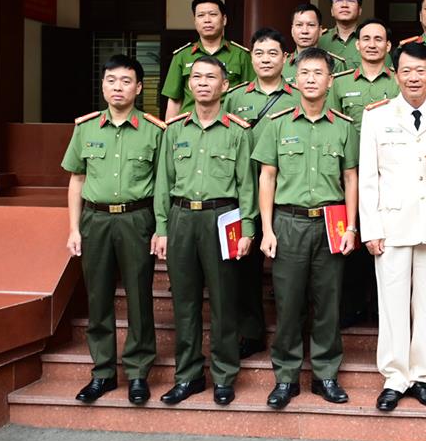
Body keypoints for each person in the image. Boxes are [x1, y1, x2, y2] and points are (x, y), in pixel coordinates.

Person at [358, 42, 426, 412]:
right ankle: (394, 375)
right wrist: (370, 227)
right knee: (392, 303)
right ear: (395, 74)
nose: (414, 77)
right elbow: (368, 177)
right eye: (406, 71)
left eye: (421, 71)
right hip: (391, 225)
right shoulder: (376, 116)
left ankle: (420, 375)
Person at [252, 48, 359, 409]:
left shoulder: (344, 127)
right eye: (305, 73)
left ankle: (326, 374)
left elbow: (350, 178)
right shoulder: (278, 123)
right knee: (289, 302)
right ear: (294, 79)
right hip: (289, 222)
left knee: (328, 303)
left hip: (331, 222)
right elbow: (267, 177)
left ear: (330, 81)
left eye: (318, 73)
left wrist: (352, 227)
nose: (311, 79)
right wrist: (266, 229)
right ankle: (286, 377)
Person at [153, 56, 257, 406]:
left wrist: (248, 228)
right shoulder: (175, 130)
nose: (202, 82)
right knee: (184, 303)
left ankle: (224, 376)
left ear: (224, 85)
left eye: (210, 77)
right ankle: (188, 376)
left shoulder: (238, 131)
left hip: (222, 218)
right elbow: (163, 185)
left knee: (225, 301)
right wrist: (162, 228)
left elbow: (247, 184)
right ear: (189, 85)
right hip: (182, 217)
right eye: (196, 77)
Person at [62, 55, 165, 405]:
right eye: (111, 80)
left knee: (139, 297)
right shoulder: (86, 128)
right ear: (103, 85)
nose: (117, 87)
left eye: (125, 81)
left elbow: (163, 185)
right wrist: (74, 229)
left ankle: (138, 372)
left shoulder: (155, 131)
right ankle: (103, 372)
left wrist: (159, 227)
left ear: (138, 87)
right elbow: (76, 180)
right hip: (96, 220)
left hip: (137, 218)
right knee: (98, 297)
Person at [223, 27, 301, 359]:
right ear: (250, 57)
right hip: (239, 191)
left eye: (273, 53)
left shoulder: (299, 95)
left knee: (289, 267)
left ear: (286, 57)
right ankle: (251, 332)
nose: (265, 59)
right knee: (243, 266)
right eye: (259, 53)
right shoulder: (235, 97)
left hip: (283, 189)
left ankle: (293, 332)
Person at [328, 19, 400, 327]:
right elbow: (331, 124)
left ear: (388, 46)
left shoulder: (400, 81)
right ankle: (355, 307)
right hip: (352, 174)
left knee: (390, 241)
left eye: (378, 39)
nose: (372, 44)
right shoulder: (340, 82)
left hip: (393, 174)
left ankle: (386, 310)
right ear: (357, 46)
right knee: (353, 240)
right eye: (366, 38)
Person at [161, 0, 253, 120]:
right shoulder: (182, 55)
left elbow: (250, 97)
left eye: (213, 14)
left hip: (228, 127)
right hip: (188, 126)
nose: (207, 20)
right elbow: (174, 101)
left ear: (224, 19)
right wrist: (169, 132)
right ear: (195, 21)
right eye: (201, 15)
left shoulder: (241, 55)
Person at [319, 0, 364, 72]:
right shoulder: (319, 40)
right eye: (338, 0)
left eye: (351, 0)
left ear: (359, 10)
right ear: (332, 11)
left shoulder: (371, 41)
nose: (344, 5)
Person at [283, 3, 333, 83]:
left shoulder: (335, 64)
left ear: (320, 31)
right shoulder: (281, 65)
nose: (304, 31)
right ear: (292, 31)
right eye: (299, 25)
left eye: (311, 25)